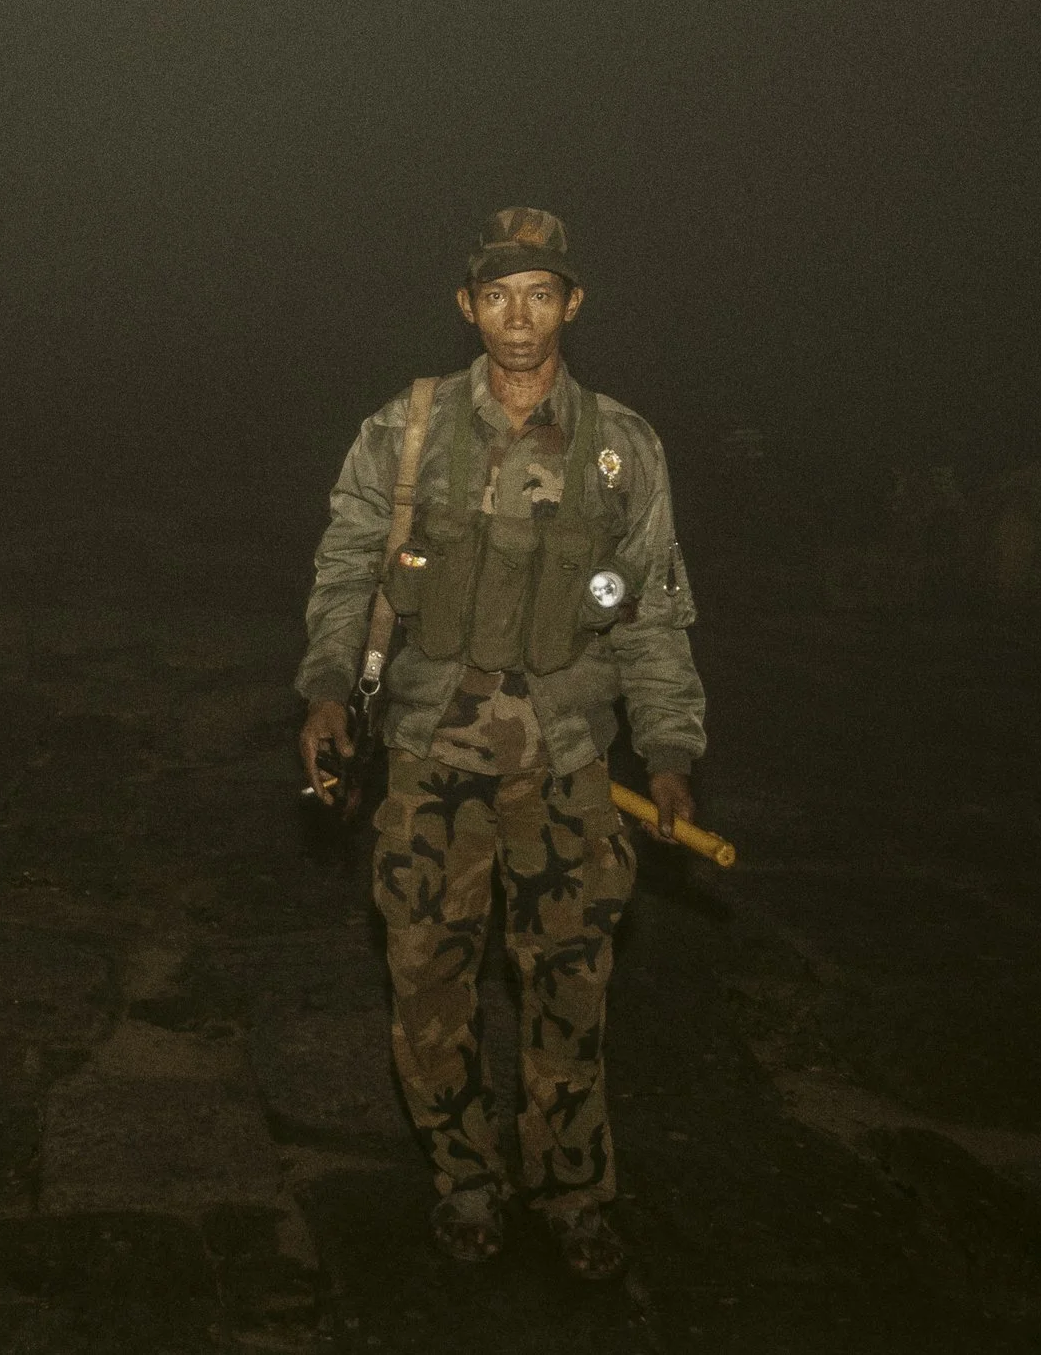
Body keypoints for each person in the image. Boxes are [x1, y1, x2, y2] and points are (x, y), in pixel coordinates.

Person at [294, 207, 707, 1281]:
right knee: (428, 976)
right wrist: (327, 687)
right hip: (430, 752)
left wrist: (667, 747)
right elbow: (345, 562)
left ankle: (571, 1188)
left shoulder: (623, 447)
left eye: (539, 293)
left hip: (569, 761)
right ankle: (465, 1178)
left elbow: (653, 608)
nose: (516, 317)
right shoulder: (408, 430)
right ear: (467, 307)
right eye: (496, 295)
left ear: (571, 303)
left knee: (569, 981)